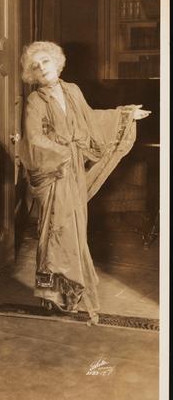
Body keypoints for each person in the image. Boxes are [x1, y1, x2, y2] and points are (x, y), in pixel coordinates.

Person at [20, 41, 150, 324]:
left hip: (74, 171)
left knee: (75, 229)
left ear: (57, 63)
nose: (42, 68)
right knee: (55, 229)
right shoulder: (35, 101)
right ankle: (51, 295)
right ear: (32, 75)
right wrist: (63, 152)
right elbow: (33, 138)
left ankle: (70, 293)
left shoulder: (73, 90)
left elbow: (91, 119)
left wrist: (125, 115)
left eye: (46, 61)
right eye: (36, 66)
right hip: (54, 172)